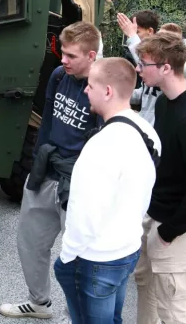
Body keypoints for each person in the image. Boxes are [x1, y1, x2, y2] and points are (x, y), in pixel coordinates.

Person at [0, 22, 104, 319]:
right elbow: (46, 123)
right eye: (63, 53)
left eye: (71, 55)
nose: (63, 60)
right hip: (47, 169)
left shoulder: (101, 87)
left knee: (80, 256)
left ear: (92, 55)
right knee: (29, 242)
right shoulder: (60, 76)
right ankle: (39, 303)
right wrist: (36, 166)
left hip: (80, 181)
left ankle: (83, 316)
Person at [54, 58, 161, 324]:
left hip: (95, 258)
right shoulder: (147, 131)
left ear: (108, 91)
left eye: (91, 85)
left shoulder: (102, 144)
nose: (86, 90)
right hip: (127, 247)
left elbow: (85, 211)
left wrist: (67, 258)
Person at [133, 31, 186, 324]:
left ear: (166, 68)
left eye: (143, 63)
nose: (138, 69)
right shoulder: (163, 103)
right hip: (157, 213)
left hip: (181, 226)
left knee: (173, 305)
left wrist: (169, 232)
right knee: (146, 285)